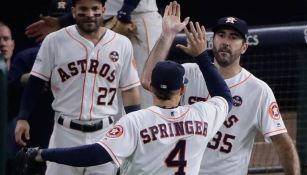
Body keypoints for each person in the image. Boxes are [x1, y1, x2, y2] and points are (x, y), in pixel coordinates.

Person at [16, 2, 233, 174]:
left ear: (152, 87)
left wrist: (42, 155)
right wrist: (202, 56)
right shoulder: (201, 115)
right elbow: (225, 97)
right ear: (183, 91)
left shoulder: (137, 121)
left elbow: (96, 154)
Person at [141, 10, 301, 175]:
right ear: (212, 40)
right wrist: (167, 35)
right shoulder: (189, 73)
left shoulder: (258, 91)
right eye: (221, 35)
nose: (226, 42)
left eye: (233, 37)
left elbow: (282, 141)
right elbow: (148, 80)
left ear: (244, 47)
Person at [14, 0, 141, 174]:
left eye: (95, 8)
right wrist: (23, 116)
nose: (90, 14)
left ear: (103, 10)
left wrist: (135, 123)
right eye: (83, 9)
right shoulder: (54, 40)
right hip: (65, 133)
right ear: (73, 11)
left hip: (105, 134)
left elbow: (130, 89)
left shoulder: (121, 43)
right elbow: (36, 80)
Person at [24, 0, 162, 110]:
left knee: (141, 90)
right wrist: (62, 21)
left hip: (138, 18)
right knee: (107, 87)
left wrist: (125, 12)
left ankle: (144, 138)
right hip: (107, 19)